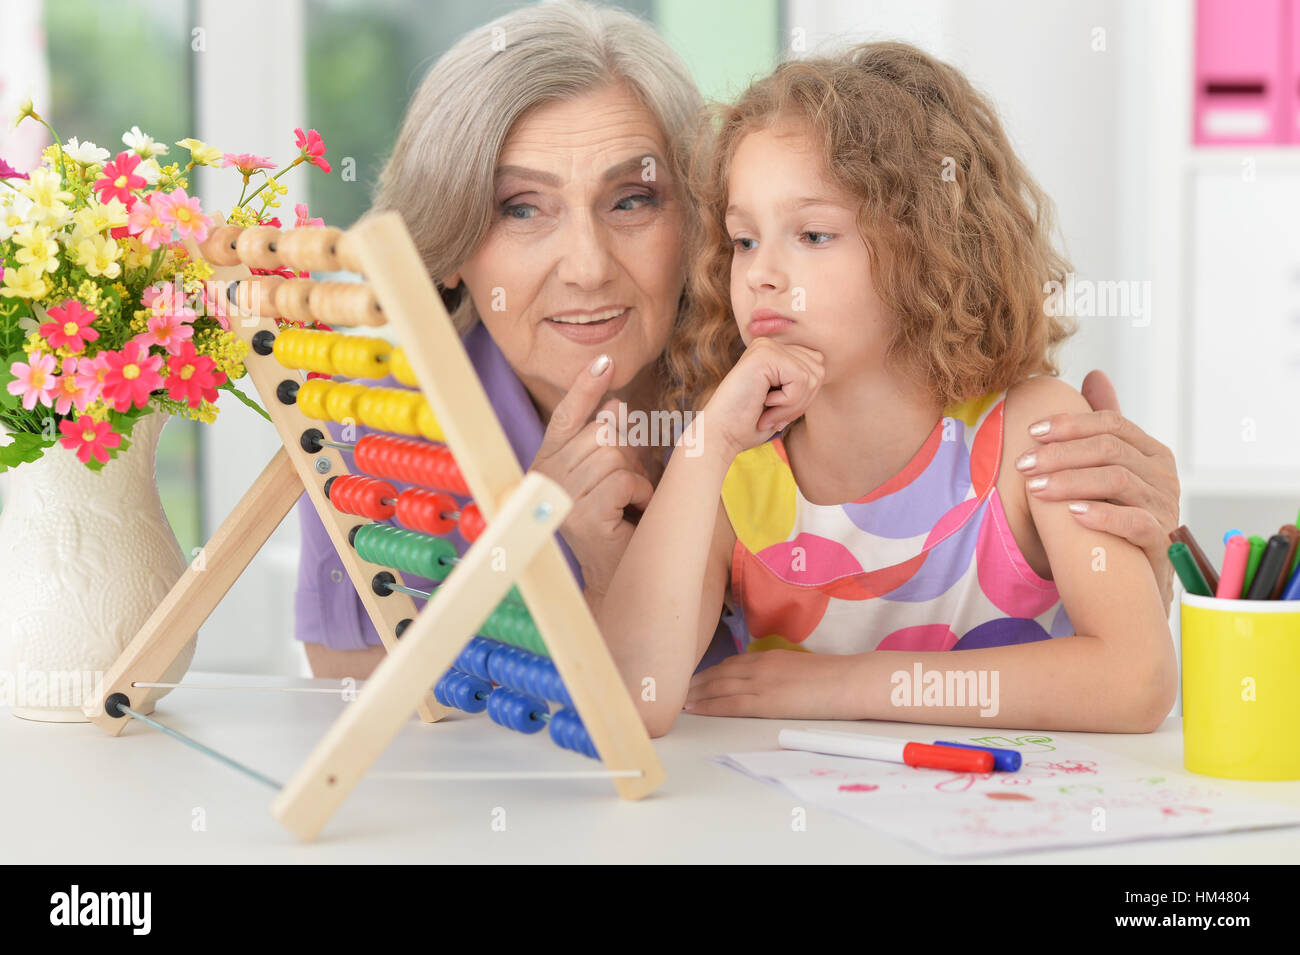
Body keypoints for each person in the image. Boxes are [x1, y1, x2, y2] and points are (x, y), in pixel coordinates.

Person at [297, 2, 1181, 693]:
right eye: (520, 207)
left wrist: (1129, 546)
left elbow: (1098, 649)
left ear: (697, 216)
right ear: (449, 241)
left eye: (633, 201)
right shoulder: (371, 419)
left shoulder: (763, 389)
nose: (586, 266)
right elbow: (365, 690)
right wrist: (548, 562)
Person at [598, 41, 1178, 737]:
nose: (760, 274)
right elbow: (631, 697)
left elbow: (1136, 679)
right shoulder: (734, 473)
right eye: (745, 240)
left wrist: (844, 684)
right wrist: (706, 443)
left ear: (932, 249)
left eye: (813, 234)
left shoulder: (1033, 431)